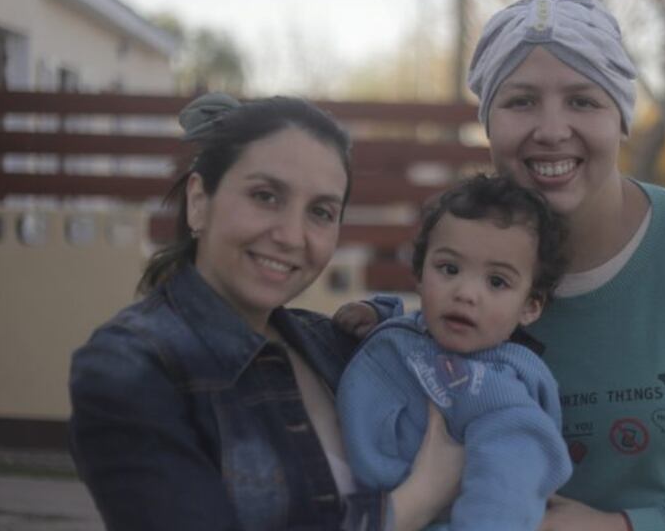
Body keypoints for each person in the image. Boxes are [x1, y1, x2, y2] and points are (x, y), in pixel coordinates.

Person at [339, 0, 665, 531]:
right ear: (489, 122)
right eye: (520, 101)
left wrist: (621, 527)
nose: (552, 130)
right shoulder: (469, 253)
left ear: (621, 118)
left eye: (583, 100)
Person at [68, 93, 463, 531]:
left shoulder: (337, 346)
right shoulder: (131, 366)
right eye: (266, 196)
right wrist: (419, 498)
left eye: (321, 212)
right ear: (199, 200)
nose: (293, 236)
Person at [335, 174, 572, 531]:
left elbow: (505, 489)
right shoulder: (417, 331)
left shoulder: (495, 390)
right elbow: (410, 326)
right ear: (419, 272)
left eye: (497, 282)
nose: (465, 293)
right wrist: (377, 314)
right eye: (449, 269)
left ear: (530, 306)